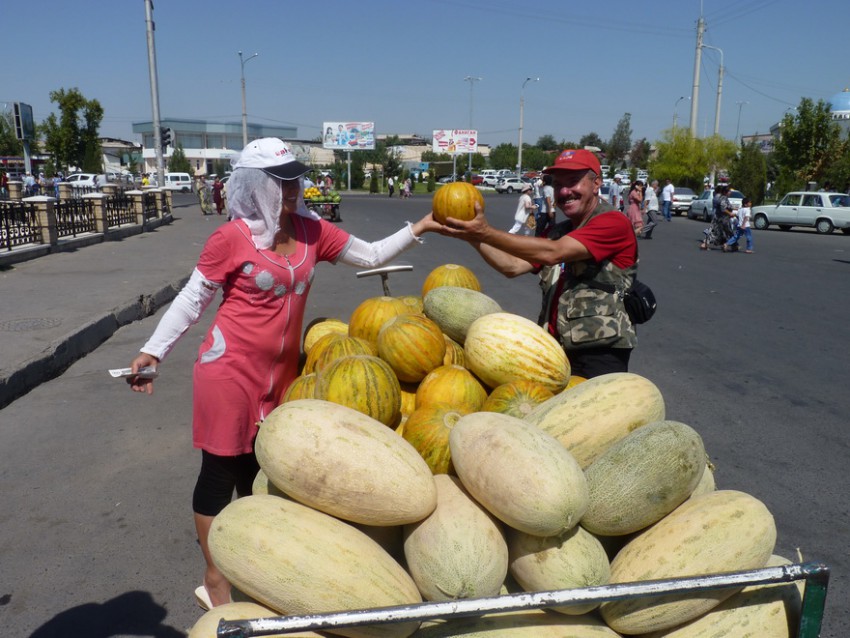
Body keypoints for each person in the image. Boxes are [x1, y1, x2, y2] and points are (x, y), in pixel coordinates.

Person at [127, 138, 440, 610]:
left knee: (264, 472)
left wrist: (422, 225)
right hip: (228, 372)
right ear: (256, 185)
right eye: (282, 181)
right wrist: (153, 351)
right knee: (220, 472)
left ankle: (257, 567)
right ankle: (215, 576)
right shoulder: (230, 238)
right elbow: (193, 299)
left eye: (296, 179)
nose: (293, 189)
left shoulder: (313, 230)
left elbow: (372, 256)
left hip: (283, 379)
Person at [438, 149, 638, 378]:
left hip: (599, 352)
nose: (564, 191)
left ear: (596, 183)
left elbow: (554, 253)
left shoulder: (613, 222)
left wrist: (485, 232)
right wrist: (470, 235)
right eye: (558, 184)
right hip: (554, 350)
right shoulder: (559, 232)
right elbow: (512, 266)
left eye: (573, 181)